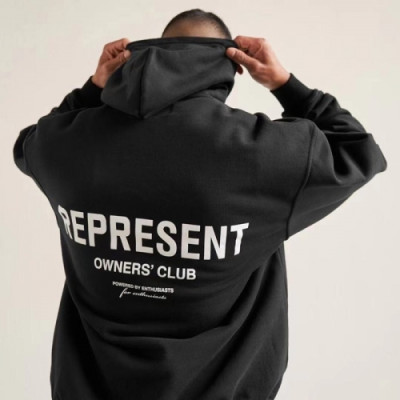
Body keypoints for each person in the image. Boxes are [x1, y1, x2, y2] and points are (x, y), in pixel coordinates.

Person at [13, 8, 388, 400]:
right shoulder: (258, 151)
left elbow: (29, 144)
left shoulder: (69, 143)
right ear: (233, 65)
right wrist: (284, 84)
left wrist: (93, 89)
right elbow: (358, 149)